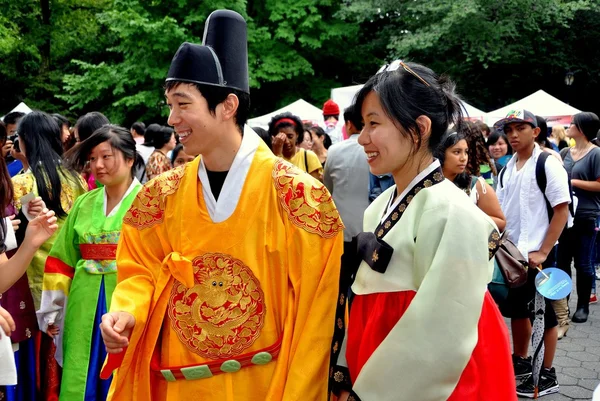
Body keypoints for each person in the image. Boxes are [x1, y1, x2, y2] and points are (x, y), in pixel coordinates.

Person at [99, 10, 343, 400]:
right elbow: (138, 271)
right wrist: (128, 311)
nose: (171, 118)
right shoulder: (158, 197)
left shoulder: (299, 198)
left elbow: (317, 318)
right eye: (169, 104)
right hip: (176, 384)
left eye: (182, 104)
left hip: (264, 386)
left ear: (227, 106)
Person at [332, 60, 515, 401]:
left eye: (374, 124)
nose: (362, 138)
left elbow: (441, 328)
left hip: (435, 378)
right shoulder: (379, 206)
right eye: (362, 125)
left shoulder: (451, 211)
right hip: (379, 360)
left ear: (419, 128)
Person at [37, 125, 143, 401]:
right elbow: (62, 260)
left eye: (107, 157)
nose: (98, 165)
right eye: (93, 158)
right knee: (79, 370)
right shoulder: (83, 204)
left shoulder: (149, 202)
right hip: (82, 302)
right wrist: (52, 310)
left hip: (128, 302)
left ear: (130, 158)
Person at [494, 109, 571, 398]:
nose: (513, 135)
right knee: (517, 312)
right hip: (513, 257)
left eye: (520, 128)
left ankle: (546, 375)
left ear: (535, 131)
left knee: (543, 315)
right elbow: (501, 213)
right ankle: (522, 362)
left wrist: (544, 250)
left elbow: (561, 210)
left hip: (538, 257)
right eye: (509, 129)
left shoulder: (547, 162)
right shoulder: (506, 168)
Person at [556, 112, 600, 324]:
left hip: (586, 215)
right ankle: (562, 305)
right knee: (562, 261)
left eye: (572, 123)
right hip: (564, 215)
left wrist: (572, 182)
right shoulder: (565, 151)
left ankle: (583, 305)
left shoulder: (596, 154)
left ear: (582, 129)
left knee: (583, 263)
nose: (569, 126)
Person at [436, 130, 506, 231]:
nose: (463, 158)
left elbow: (501, 222)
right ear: (441, 153)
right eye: (457, 152)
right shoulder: (427, 184)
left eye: (466, 152)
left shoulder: (476, 186)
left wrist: (467, 216)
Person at [323, 104, 370, 249]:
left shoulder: (334, 150)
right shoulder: (375, 150)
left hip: (340, 227)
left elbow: (327, 189)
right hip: (369, 226)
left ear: (348, 124)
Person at [270, 112, 323, 180]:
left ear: (297, 135)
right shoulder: (271, 158)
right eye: (282, 138)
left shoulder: (308, 156)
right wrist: (277, 154)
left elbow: (315, 187)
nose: (287, 141)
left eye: (290, 136)